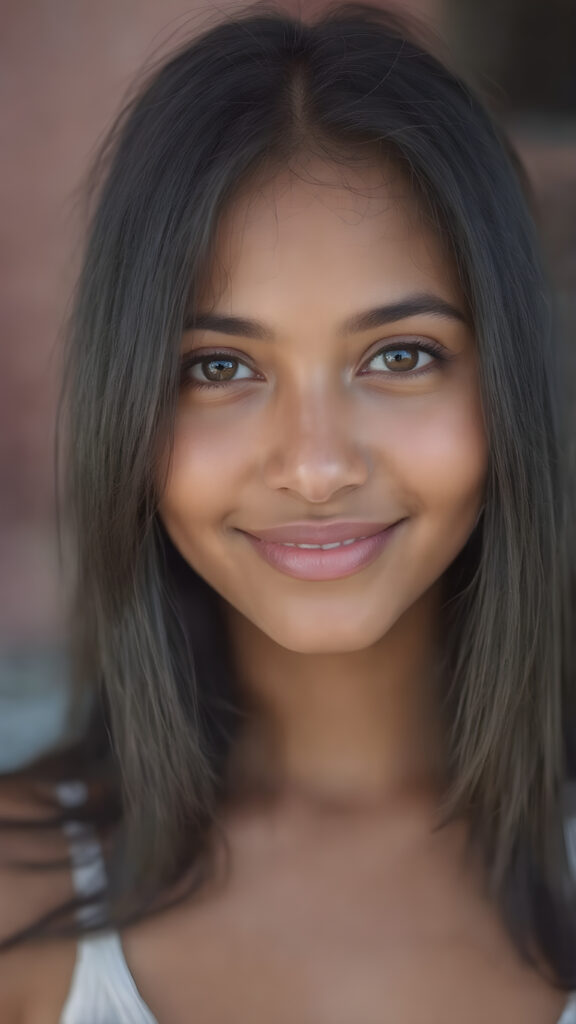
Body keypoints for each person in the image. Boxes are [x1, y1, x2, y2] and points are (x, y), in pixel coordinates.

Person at [1, 2, 575, 1020]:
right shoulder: (18, 900)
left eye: (400, 355)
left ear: (507, 384)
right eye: (220, 367)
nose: (315, 466)